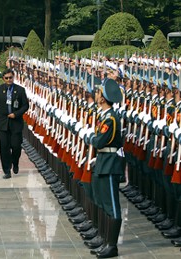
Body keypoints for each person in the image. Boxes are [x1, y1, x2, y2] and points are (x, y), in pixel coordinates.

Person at [82, 78, 124, 258]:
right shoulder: (104, 116)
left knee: (112, 206)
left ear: (103, 98)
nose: (96, 95)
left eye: (99, 93)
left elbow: (100, 140)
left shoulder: (112, 119)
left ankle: (112, 245)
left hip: (110, 163)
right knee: (100, 201)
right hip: (102, 161)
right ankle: (103, 237)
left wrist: (88, 137)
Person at [0, 68, 29, 179]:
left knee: (16, 146)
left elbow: (25, 106)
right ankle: (6, 170)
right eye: (6, 78)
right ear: (3, 79)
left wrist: (16, 114)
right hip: (2, 123)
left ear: (13, 77)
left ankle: (15, 162)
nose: (8, 80)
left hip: (16, 122)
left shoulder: (20, 90)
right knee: (4, 147)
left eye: (10, 77)